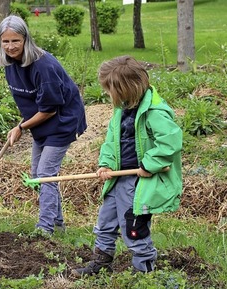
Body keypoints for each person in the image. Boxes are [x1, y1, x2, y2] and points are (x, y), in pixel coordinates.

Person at [71, 56, 183, 276]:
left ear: (125, 89)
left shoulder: (154, 112)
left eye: (109, 90)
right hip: (117, 178)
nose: (107, 94)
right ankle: (101, 263)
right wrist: (105, 164)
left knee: (134, 227)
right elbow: (112, 141)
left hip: (138, 181)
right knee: (105, 222)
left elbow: (170, 142)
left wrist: (150, 164)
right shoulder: (121, 110)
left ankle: (144, 271)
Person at [0, 15, 87, 235]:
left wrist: (21, 127)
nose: (10, 46)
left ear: (26, 39)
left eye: (15, 41)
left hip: (63, 121)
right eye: (5, 41)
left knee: (47, 174)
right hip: (41, 123)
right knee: (38, 174)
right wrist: (23, 124)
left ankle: (44, 229)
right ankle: (58, 225)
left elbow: (49, 109)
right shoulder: (11, 65)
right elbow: (32, 103)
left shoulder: (42, 66)